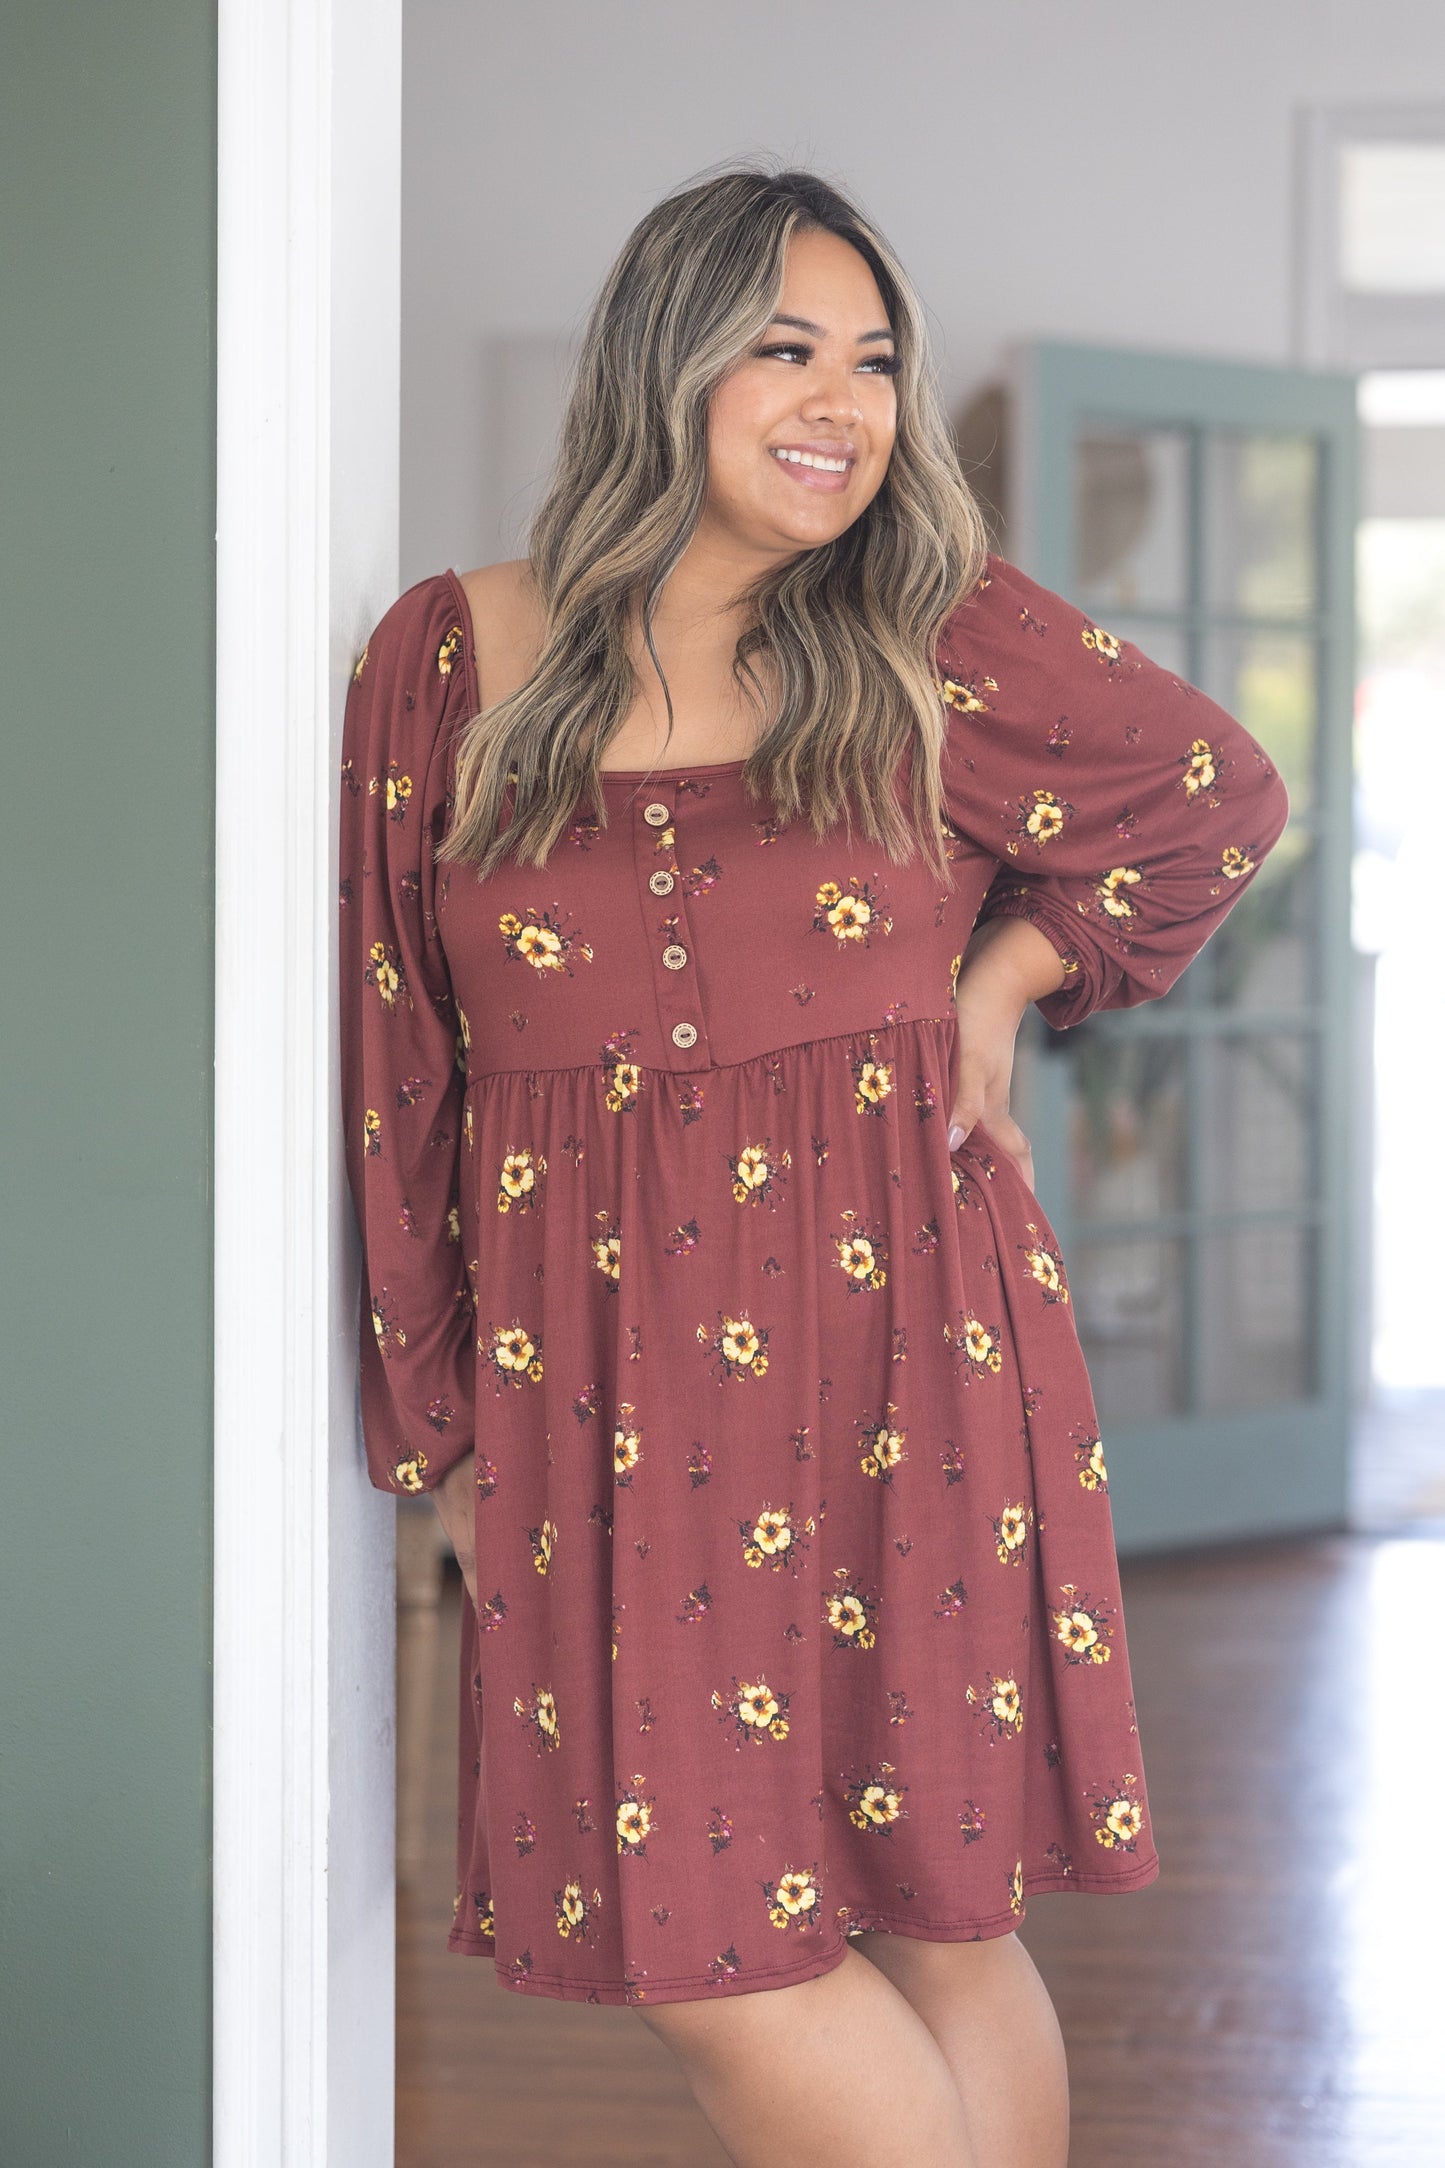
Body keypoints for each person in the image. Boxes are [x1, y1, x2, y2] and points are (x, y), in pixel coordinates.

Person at [338, 162, 1289, 2168]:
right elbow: (394, 1048)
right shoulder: (451, 656)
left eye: (876, 362)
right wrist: (424, 1390)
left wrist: (1006, 981)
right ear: (662, 365)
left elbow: (1215, 798)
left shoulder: (932, 635)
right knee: (703, 1941)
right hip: (597, 1387)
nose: (843, 402)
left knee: (944, 1913)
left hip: (910, 1351)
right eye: (786, 348)